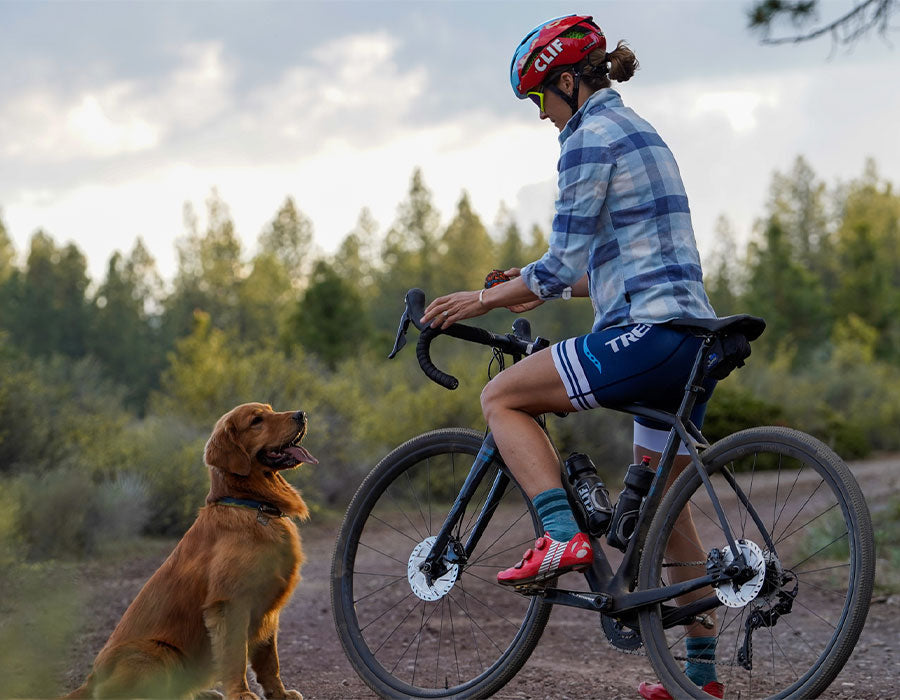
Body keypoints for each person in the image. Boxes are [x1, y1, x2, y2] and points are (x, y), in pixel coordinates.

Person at [420, 14, 725, 700]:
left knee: (501, 398)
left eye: (538, 101)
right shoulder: (643, 130)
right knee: (668, 510)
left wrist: (482, 298)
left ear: (564, 82)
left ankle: (560, 535)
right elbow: (609, 264)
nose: (541, 117)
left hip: (647, 334)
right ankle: (699, 678)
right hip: (695, 336)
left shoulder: (587, 137)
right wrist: (530, 291)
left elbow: (559, 264)